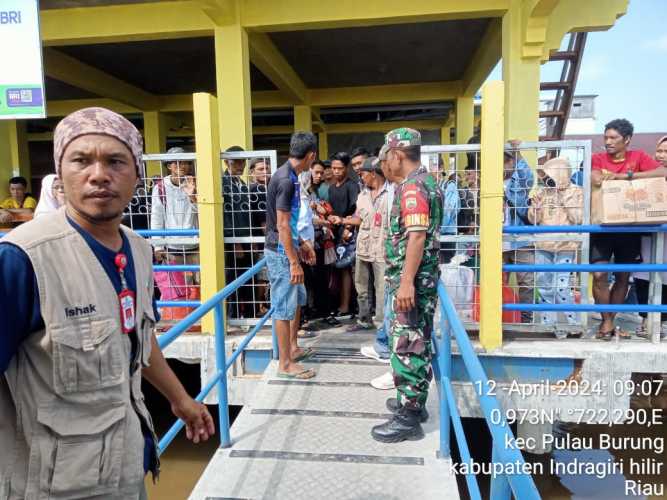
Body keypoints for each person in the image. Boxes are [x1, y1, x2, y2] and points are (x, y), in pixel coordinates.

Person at [0, 107, 214, 499]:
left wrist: (180, 399)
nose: (99, 174)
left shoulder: (139, 250)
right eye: (81, 160)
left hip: (127, 464)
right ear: (60, 174)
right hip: (55, 484)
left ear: (136, 175)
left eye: (116, 161)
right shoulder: (22, 259)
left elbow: (136, 336)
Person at [371, 128, 442, 443]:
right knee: (417, 342)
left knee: (407, 346)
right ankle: (414, 402)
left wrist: (406, 284)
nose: (383, 166)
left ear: (397, 155)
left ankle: (408, 417)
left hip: (412, 282)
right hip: (420, 279)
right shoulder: (426, 182)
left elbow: (416, 235)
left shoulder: (412, 188)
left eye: (385, 159)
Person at [590, 119, 666, 340]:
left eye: (613, 138)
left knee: (623, 277)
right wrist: (605, 178)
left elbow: (661, 173)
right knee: (599, 274)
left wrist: (626, 177)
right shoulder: (598, 158)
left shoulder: (638, 157)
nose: (608, 142)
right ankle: (607, 321)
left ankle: (608, 324)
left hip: (629, 229)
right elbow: (595, 178)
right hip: (602, 227)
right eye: (606, 137)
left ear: (627, 140)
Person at [264, 131, 318, 379]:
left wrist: (303, 243)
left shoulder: (290, 177)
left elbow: (289, 222)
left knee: (296, 300)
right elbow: (282, 225)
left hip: (288, 246)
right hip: (281, 252)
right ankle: (284, 363)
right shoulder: (286, 180)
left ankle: (292, 350)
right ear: (311, 156)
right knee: (284, 306)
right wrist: (294, 262)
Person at [527, 158, 583, 336]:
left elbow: (578, 219)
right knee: (544, 287)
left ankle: (573, 324)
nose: (547, 180)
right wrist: (534, 208)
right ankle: (548, 325)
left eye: (550, 175)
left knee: (561, 287)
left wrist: (564, 198)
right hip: (544, 244)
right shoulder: (543, 193)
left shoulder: (576, 192)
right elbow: (533, 221)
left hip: (566, 245)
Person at [343, 157, 390, 332]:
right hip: (364, 247)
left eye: (363, 174)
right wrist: (343, 221)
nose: (361, 177)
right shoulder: (362, 195)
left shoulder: (391, 192)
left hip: (383, 248)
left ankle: (381, 325)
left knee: (382, 287)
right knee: (361, 286)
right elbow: (359, 217)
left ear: (373, 173)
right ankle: (364, 319)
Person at [633, 135, 667, 340]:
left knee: (665, 276)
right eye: (660, 151)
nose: (662, 156)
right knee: (643, 274)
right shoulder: (647, 175)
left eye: (666, 152)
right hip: (649, 233)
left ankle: (662, 321)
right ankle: (646, 318)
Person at [151, 146, 199, 287]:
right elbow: (156, 217)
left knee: (198, 290)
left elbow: (203, 213)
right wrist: (158, 246)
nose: (182, 166)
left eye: (185, 162)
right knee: (176, 291)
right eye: (176, 162)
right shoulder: (160, 188)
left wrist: (193, 196)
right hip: (172, 248)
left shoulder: (194, 183)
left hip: (195, 246)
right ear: (169, 166)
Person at [502, 141, 535, 323]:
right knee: (497, 281)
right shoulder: (486, 182)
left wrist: (518, 153)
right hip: (497, 238)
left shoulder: (518, 182)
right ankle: (499, 317)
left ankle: (526, 318)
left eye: (507, 160)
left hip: (520, 238)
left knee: (527, 281)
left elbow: (527, 175)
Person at [327, 152, 360, 319]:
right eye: (333, 168)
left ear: (346, 168)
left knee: (347, 269)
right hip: (334, 232)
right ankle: (340, 303)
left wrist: (347, 228)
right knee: (337, 269)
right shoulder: (332, 188)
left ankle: (347, 305)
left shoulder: (352, 186)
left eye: (340, 168)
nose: (336, 171)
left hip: (348, 232)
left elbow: (355, 209)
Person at [222, 145, 252, 319]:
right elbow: (225, 215)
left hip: (246, 238)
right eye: (236, 162)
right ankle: (232, 317)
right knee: (233, 280)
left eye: (243, 162)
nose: (240, 166)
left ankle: (248, 315)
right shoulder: (224, 183)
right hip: (233, 241)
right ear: (226, 162)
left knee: (247, 280)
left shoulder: (241, 183)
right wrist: (235, 242)